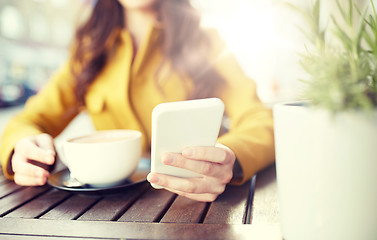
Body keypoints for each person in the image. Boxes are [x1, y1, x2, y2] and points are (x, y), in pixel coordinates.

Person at [0, 0, 275, 202]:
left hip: (193, 207)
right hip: (104, 212)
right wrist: (21, 148)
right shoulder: (89, 51)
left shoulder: (208, 43)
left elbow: (260, 120)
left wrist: (229, 157)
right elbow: (29, 120)